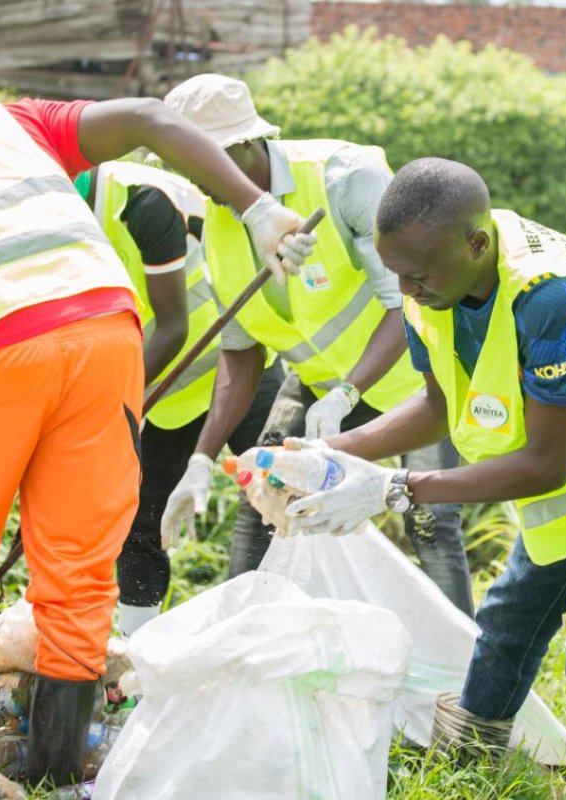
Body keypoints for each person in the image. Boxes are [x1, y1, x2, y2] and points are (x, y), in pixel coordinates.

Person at [0, 90, 311, 786]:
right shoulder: (5, 121)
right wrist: (258, 208)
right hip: (106, 334)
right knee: (77, 569)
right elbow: (150, 119)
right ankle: (57, 773)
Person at [255, 158, 566, 799]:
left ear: (476, 244)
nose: (404, 289)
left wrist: (394, 488)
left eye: (418, 275)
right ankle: (469, 759)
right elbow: (438, 405)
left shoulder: (552, 295)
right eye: (395, 272)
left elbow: (545, 465)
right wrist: (334, 453)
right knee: (509, 620)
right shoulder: (431, 283)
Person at [158, 75, 474, 615]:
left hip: (421, 378)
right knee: (266, 493)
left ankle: (468, 676)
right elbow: (241, 350)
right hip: (321, 383)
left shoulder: (345, 180)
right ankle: (243, 644)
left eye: (195, 163)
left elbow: (409, 303)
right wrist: (202, 458)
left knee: (429, 519)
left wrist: (348, 394)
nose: (192, 180)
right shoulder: (216, 223)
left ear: (240, 147)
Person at [73, 161, 284, 635]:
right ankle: (138, 655)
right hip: (165, 399)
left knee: (279, 502)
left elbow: (174, 323)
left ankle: (263, 637)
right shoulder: (66, 224)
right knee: (140, 523)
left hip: (238, 367)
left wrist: (116, 404)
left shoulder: (137, 199)